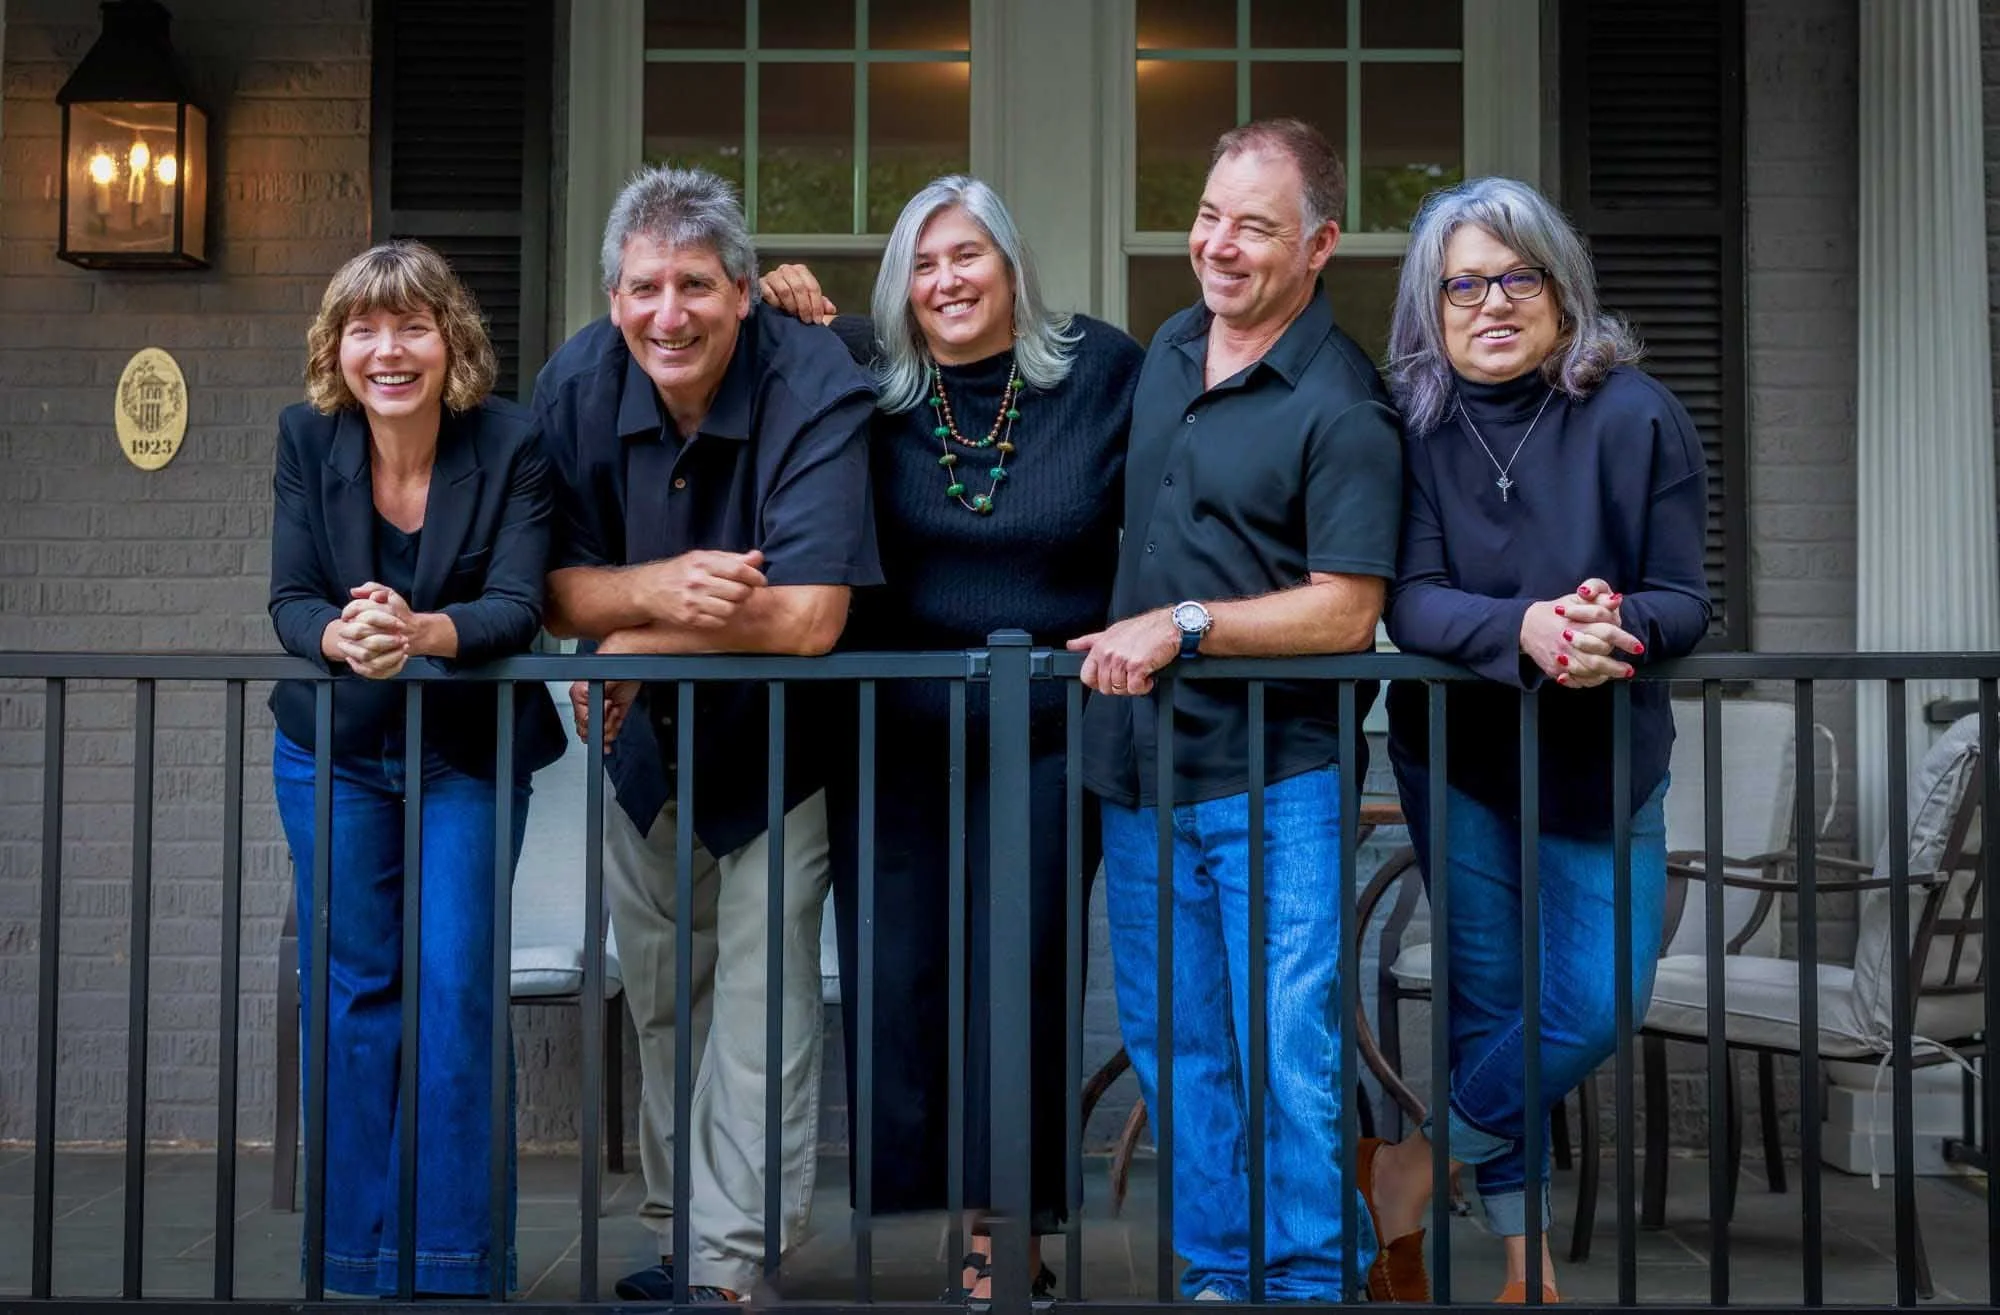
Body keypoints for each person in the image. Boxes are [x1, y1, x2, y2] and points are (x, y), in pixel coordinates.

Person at [757, 174, 1145, 1299]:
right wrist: (789, 298)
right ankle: (947, 1208)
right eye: (921, 266)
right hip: (892, 737)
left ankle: (1009, 1225)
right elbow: (736, 346)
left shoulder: (1100, 371)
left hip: (1043, 734)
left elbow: (1165, 511)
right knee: (902, 976)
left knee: (1017, 980)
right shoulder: (866, 381)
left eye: (966, 256)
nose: (945, 281)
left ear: (1010, 266)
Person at [530, 164, 878, 1303]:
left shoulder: (811, 372)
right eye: (641, 288)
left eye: (691, 285)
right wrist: (663, 592)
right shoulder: (576, 382)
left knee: (762, 1006)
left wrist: (634, 637)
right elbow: (552, 592)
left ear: (740, 291)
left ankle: (733, 1264)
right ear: (613, 297)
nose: (664, 314)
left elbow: (812, 615)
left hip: (778, 745)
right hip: (639, 751)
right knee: (663, 997)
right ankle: (684, 1237)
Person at [1071, 118, 1402, 1302]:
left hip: (1276, 777)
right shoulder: (1165, 349)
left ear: (1319, 244)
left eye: (1252, 227)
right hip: (1140, 769)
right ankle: (1219, 1273)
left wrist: (1189, 623)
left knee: (1287, 1053)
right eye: (1207, 215)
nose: (1216, 245)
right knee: (1179, 1048)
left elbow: (1345, 611)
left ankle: (1313, 1280)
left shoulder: (1342, 402)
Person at [1366, 176, 1712, 1303]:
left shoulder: (1634, 413)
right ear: (1430, 305)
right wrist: (1523, 627)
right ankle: (1528, 1268)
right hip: (1457, 754)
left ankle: (1413, 1164)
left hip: (1600, 755)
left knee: (1595, 998)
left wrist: (1607, 625)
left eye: (1517, 276)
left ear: (1561, 291)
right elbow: (1406, 600)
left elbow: (1682, 597)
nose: (1491, 302)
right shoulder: (1409, 424)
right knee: (1487, 1004)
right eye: (1461, 284)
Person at [266, 240, 566, 1296]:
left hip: (466, 756)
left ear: (452, 341)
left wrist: (422, 628)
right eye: (364, 327)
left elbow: (519, 607)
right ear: (336, 345)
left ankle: (451, 1261)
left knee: (452, 991)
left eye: (411, 326)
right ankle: (352, 1259)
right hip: (334, 752)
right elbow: (292, 597)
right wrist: (341, 640)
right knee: (356, 997)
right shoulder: (307, 439)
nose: (387, 350)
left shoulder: (515, 441)